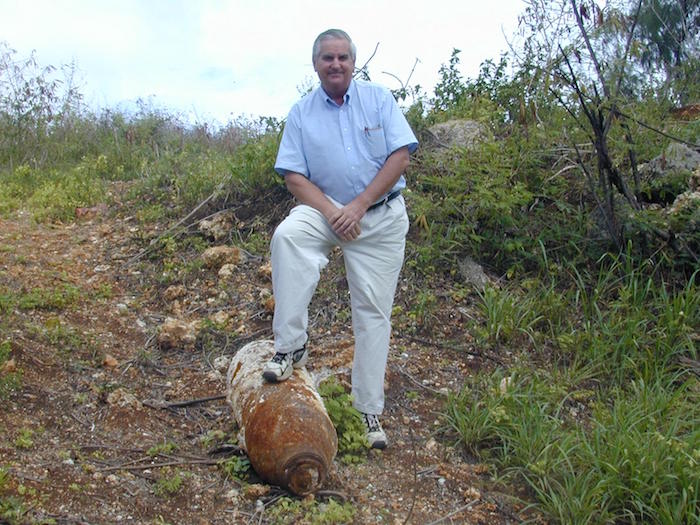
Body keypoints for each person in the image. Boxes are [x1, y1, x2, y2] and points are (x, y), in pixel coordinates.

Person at [263, 28, 418, 450]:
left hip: (379, 218)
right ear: (315, 64)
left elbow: (400, 155)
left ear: (354, 62)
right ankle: (290, 347)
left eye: (343, 57)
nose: (336, 64)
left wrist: (359, 206)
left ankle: (367, 410)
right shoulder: (301, 113)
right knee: (289, 237)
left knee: (373, 312)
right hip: (325, 210)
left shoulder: (379, 100)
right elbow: (293, 175)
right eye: (327, 58)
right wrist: (334, 211)